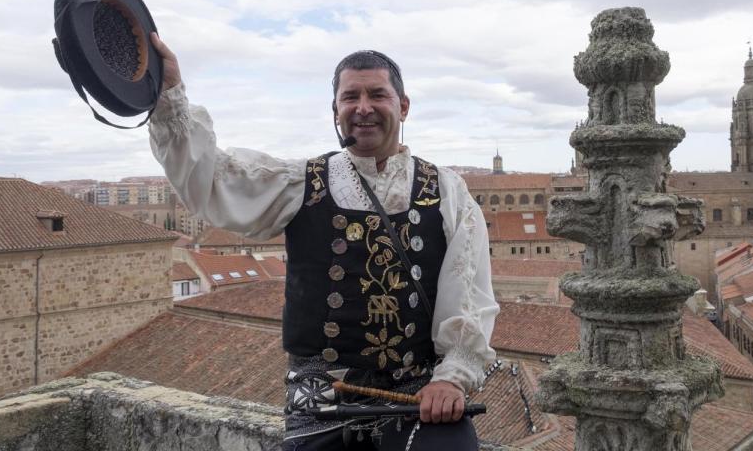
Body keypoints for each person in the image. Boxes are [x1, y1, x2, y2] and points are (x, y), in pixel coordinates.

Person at [147, 33, 498, 450]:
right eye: (350, 97)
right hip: (321, 400)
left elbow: (470, 291)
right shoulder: (301, 182)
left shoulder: (446, 189)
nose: (363, 108)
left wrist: (452, 379)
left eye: (377, 95)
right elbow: (215, 180)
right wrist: (169, 94)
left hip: (418, 393)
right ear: (335, 112)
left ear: (403, 106)